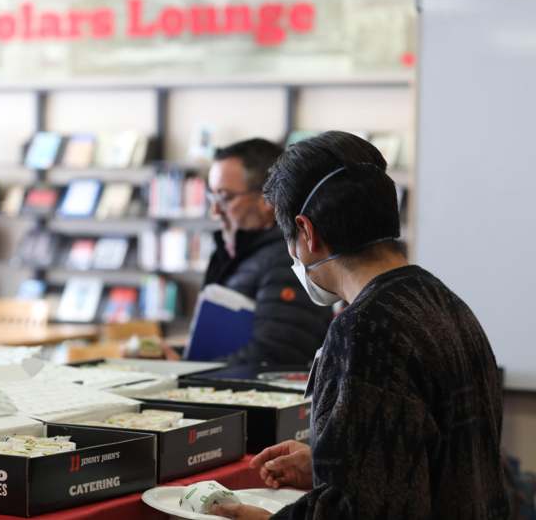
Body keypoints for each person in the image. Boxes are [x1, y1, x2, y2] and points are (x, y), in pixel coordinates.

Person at [211, 131, 509, 519]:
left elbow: (359, 511)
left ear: (306, 232)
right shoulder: (445, 302)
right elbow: (425, 458)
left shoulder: (364, 331)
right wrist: (327, 464)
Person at [201, 138, 332, 366]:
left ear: (267, 198)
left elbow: (276, 354)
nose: (214, 210)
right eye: (211, 196)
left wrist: (190, 371)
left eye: (224, 197)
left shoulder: (290, 260)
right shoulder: (237, 254)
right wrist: (177, 357)